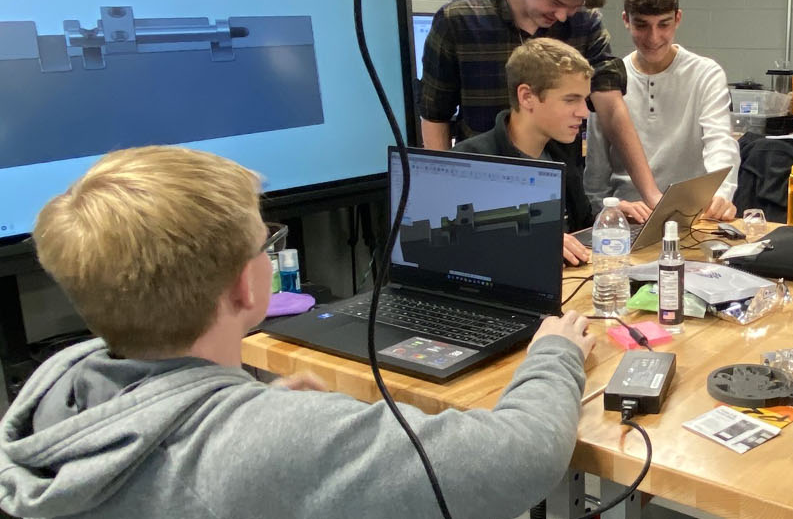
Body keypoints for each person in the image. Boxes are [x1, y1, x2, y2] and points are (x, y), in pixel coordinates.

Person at [0, 145, 599, 517]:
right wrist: (553, 353)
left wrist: (265, 418)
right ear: (244, 286)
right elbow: (522, 458)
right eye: (265, 243)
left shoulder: (53, 398)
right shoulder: (268, 446)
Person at [418, 0, 665, 208]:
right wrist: (444, 199)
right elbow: (435, 117)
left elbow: (611, 107)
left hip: (557, 191)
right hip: (484, 194)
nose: (561, 17)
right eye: (556, 1)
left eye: (572, 8)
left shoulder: (583, 25)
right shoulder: (459, 21)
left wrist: (652, 195)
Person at [455, 38, 648, 267]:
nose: (584, 112)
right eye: (570, 100)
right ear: (527, 97)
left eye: (584, 99)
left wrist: (607, 218)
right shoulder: (470, 163)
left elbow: (576, 227)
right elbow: (459, 250)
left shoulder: (561, 154)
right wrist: (535, 244)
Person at [584, 0, 741, 221]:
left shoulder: (705, 74)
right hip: (630, 219)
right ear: (626, 20)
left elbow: (720, 143)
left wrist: (721, 194)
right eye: (642, 25)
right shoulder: (609, 80)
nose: (653, 37)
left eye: (663, 25)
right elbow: (595, 176)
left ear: (678, 18)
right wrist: (609, 208)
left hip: (691, 215)